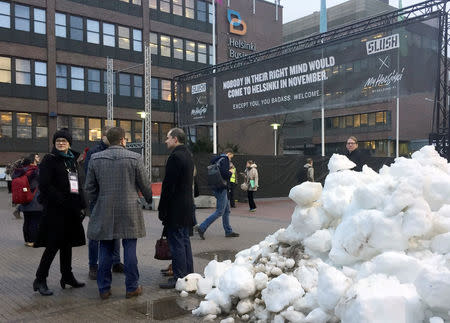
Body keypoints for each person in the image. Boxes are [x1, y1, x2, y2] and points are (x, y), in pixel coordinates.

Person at [85, 127, 152, 300]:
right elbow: (145, 185)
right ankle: (131, 287)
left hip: (104, 209)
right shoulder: (135, 157)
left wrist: (96, 202)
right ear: (123, 140)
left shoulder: (95, 158)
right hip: (130, 209)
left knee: (105, 249)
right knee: (130, 248)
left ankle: (104, 289)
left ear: (108, 140)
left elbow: (89, 188)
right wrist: (149, 198)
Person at [33, 129, 86, 296]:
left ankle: (67, 276)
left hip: (71, 210)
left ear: (69, 143)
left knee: (67, 245)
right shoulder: (50, 160)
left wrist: (82, 205)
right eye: (58, 141)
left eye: (64, 141)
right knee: (53, 245)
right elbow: (44, 185)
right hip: (56, 210)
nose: (61, 143)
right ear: (54, 143)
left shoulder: (72, 160)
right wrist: (61, 199)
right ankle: (40, 279)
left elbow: (77, 184)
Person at [84, 126, 124, 280]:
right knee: (95, 234)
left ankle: (116, 262)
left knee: (115, 232)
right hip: (99, 200)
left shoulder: (120, 152)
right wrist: (95, 198)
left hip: (114, 199)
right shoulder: (94, 153)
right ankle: (93, 265)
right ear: (103, 136)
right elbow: (90, 179)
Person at [158, 128, 195, 289]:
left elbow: (168, 186)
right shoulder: (188, 155)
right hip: (186, 206)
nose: (165, 141)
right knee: (185, 242)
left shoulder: (175, 157)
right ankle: (189, 275)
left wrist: (162, 208)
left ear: (174, 139)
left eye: (167, 138)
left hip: (176, 208)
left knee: (177, 244)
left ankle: (179, 278)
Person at [197, 149, 239, 239]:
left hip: (216, 186)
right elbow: (225, 174)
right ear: (229, 154)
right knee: (220, 211)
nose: (231, 159)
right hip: (222, 188)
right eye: (231, 156)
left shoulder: (217, 159)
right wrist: (230, 172)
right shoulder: (225, 159)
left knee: (226, 210)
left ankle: (228, 231)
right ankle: (202, 227)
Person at [12, 153, 43, 247]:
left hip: (24, 199)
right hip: (35, 199)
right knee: (35, 221)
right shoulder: (35, 170)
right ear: (33, 159)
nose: (39, 158)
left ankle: (27, 240)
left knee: (27, 221)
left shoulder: (21, 170)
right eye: (37, 156)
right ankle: (33, 241)